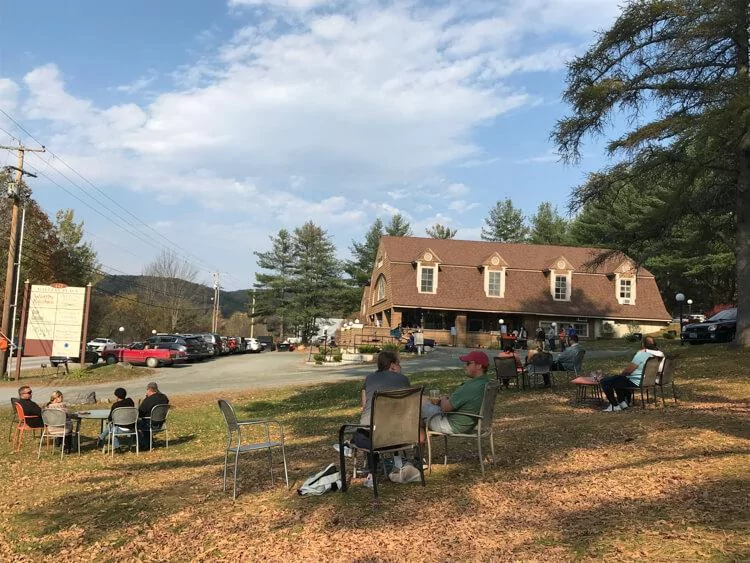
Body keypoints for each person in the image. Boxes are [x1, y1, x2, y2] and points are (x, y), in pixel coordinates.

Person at [349, 350, 410, 487]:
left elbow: (364, 405)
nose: (401, 367)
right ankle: (396, 461)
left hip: (374, 438)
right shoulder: (404, 380)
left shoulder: (370, 379)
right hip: (400, 437)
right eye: (399, 364)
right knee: (378, 427)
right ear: (393, 365)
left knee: (365, 432)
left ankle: (371, 472)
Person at [421, 350, 490, 435]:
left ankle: (414, 444)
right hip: (467, 424)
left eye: (468, 363)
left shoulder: (471, 386)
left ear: (479, 366)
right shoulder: (486, 382)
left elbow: (446, 408)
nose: (465, 367)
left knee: (418, 408)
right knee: (424, 402)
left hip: (452, 425)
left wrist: (443, 398)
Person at [599, 335, 665, 412]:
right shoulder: (660, 354)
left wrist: (621, 375)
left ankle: (614, 405)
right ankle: (622, 403)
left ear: (643, 344)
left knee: (605, 381)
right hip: (650, 380)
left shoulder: (641, 354)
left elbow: (628, 370)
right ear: (654, 344)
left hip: (636, 381)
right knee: (617, 379)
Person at [137, 382, 169, 447]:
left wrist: (146, 398)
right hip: (161, 423)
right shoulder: (164, 397)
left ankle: (143, 443)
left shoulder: (148, 400)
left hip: (149, 423)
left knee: (134, 423)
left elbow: (139, 413)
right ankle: (148, 441)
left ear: (149, 389)